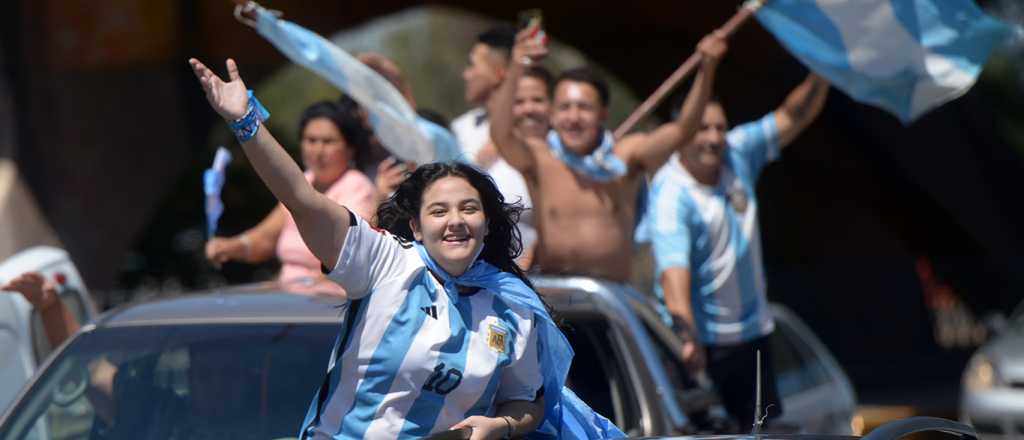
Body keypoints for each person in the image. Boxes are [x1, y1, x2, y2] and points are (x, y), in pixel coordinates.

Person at [188, 56, 622, 439]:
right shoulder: (384, 263)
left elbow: (526, 401)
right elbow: (303, 199)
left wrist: (503, 426)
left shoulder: (514, 307)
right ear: (415, 225)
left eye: (468, 208)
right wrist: (246, 122)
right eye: (439, 211)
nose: (455, 221)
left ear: (487, 224)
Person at [650, 71, 830, 427]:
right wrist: (688, 340)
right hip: (702, 347)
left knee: (762, 432)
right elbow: (673, 276)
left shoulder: (738, 152)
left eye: (720, 127)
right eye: (702, 128)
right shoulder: (671, 193)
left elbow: (792, 115)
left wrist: (823, 70)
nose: (714, 138)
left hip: (753, 337)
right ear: (681, 132)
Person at [489, 28, 725, 283]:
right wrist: (516, 67)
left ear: (603, 114)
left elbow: (682, 131)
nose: (574, 117)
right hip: (554, 296)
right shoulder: (538, 157)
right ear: (553, 115)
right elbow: (500, 133)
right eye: (565, 107)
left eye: (584, 108)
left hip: (611, 299)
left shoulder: (626, 155)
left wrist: (707, 69)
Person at [2, 273, 260, 440]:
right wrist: (50, 308)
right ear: (190, 376)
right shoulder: (157, 413)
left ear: (248, 378)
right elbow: (91, 370)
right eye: (205, 374)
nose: (217, 386)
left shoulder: (279, 428)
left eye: (228, 374)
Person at [205, 99, 379, 296]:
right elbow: (265, 239)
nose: (318, 150)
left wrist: (292, 287)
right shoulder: (304, 181)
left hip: (329, 304)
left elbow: (351, 260)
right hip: (289, 299)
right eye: (311, 140)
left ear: (350, 148)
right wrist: (227, 247)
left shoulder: (358, 188)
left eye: (328, 141)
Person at [451, 25, 516, 164]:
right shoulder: (460, 129)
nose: (465, 75)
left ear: (500, 72)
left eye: (472, 65)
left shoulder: (537, 128)